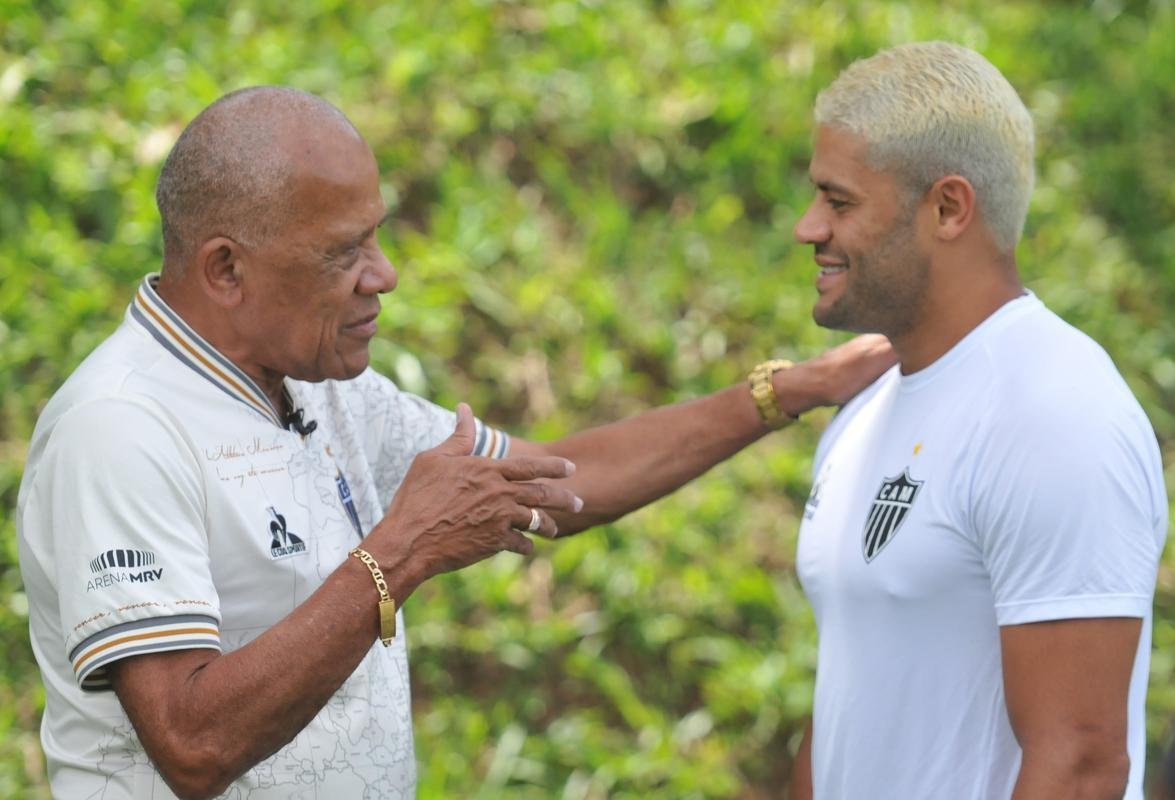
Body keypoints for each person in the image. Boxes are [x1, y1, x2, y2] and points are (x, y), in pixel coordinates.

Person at [14, 86, 894, 799]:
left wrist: (783, 392)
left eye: (377, 236)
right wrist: (397, 555)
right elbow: (192, 744)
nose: (384, 275)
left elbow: (559, 481)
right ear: (225, 269)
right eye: (342, 253)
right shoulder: (122, 430)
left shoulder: (317, 384)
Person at [785, 42, 1167, 799]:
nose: (807, 228)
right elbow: (847, 713)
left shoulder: (1051, 413)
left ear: (948, 208)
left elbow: (1081, 765)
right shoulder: (864, 412)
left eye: (839, 202)